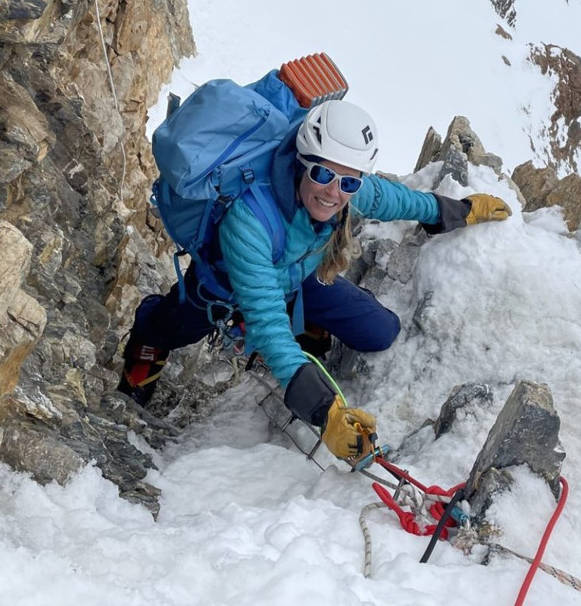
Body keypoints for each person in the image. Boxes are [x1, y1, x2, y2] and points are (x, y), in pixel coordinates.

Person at [118, 99, 511, 462]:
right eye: (322, 173)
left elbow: (392, 199)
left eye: (348, 182)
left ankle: (306, 323)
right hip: (223, 289)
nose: (334, 192)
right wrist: (327, 414)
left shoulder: (344, 189)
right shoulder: (250, 220)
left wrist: (456, 211)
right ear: (303, 162)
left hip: (296, 278)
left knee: (380, 330)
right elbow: (268, 325)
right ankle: (148, 335)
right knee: (173, 327)